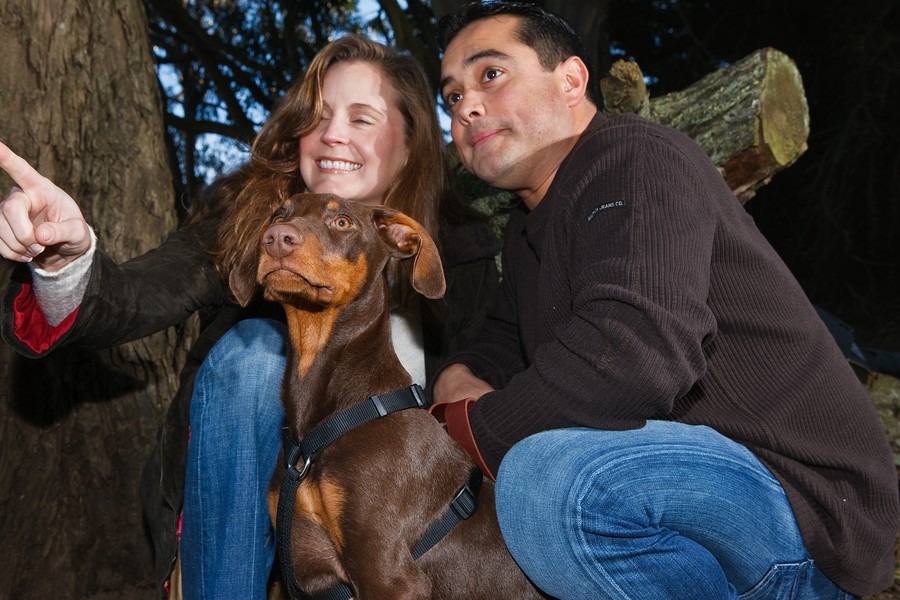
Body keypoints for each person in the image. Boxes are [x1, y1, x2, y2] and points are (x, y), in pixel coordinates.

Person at [0, 35, 499, 599]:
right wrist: (63, 258)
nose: (332, 135)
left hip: (407, 551)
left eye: (362, 118)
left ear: (409, 147)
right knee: (259, 352)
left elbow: (489, 379)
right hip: (251, 532)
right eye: (318, 117)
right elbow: (132, 297)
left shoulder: (459, 253)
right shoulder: (251, 226)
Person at [431, 3, 900, 599]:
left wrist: (471, 434)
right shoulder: (529, 229)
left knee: (550, 483)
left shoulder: (635, 158)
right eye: (452, 96)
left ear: (571, 79)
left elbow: (635, 356)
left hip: (805, 504)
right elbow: (499, 342)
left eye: (491, 74)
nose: (466, 106)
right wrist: (458, 376)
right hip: (689, 489)